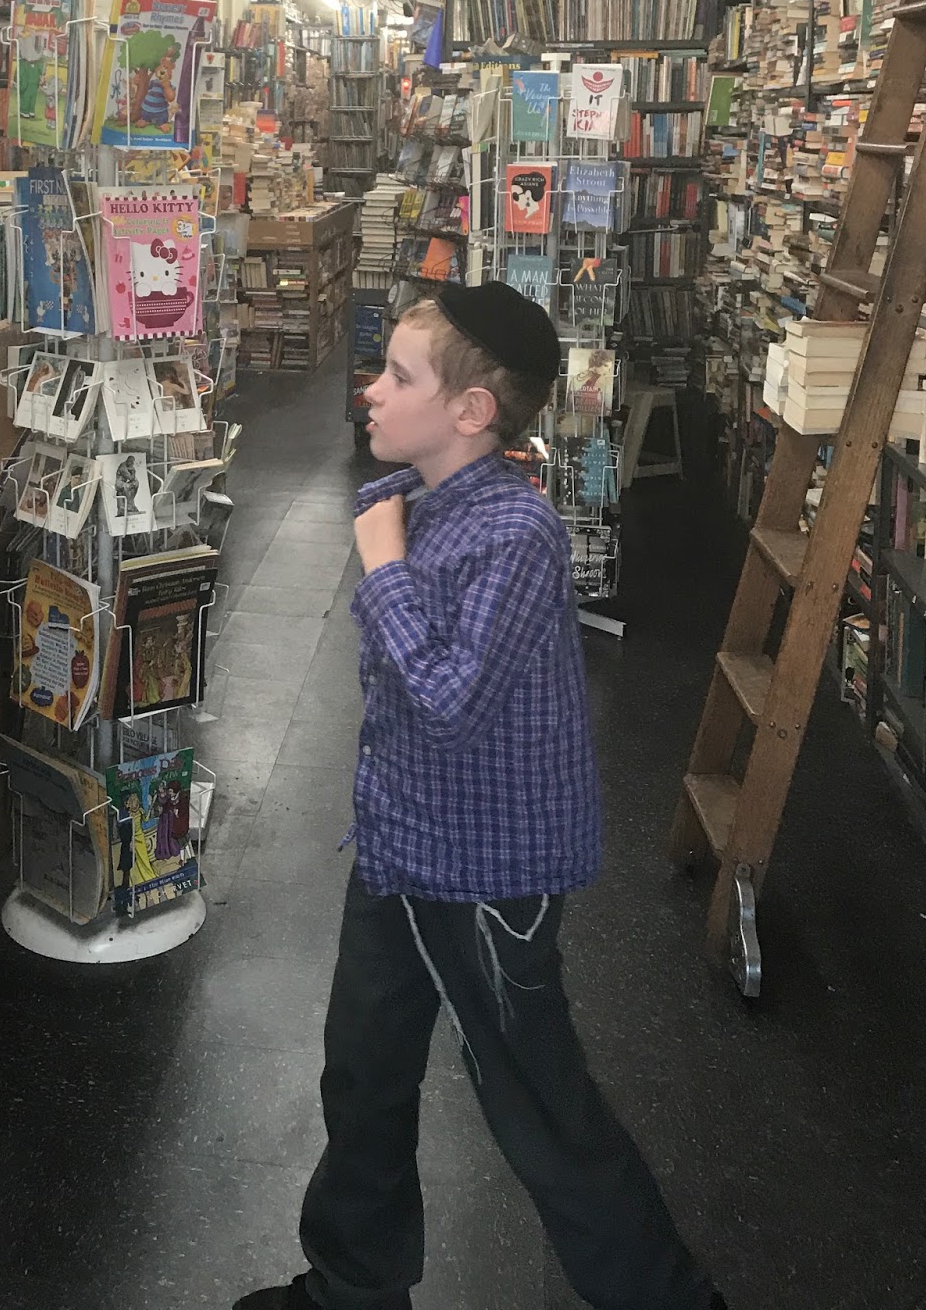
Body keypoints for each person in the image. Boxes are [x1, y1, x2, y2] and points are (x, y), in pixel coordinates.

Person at [235, 280, 725, 1310]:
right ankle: (354, 1284)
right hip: (402, 849)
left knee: (540, 1105)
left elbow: (451, 700)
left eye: (398, 374)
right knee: (364, 1072)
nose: (371, 389)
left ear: (471, 410)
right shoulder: (417, 506)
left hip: (488, 881)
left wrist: (383, 568)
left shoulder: (516, 532)